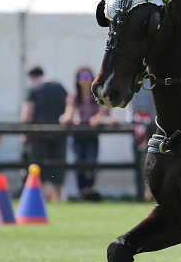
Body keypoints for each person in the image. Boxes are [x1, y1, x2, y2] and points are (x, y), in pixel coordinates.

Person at [59, 66, 115, 200]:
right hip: (78, 133)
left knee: (90, 162)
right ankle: (81, 192)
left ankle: (89, 190)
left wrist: (100, 117)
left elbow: (105, 110)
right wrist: (66, 117)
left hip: (91, 134)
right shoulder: (74, 96)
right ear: (77, 80)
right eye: (82, 77)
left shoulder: (98, 94)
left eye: (88, 77)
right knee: (79, 162)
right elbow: (68, 112)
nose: (85, 80)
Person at [20, 65, 68, 201]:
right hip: (59, 132)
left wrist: (24, 133)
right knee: (58, 164)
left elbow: (27, 113)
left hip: (39, 132)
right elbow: (69, 106)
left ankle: (46, 197)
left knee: (40, 166)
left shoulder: (33, 88)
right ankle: (58, 197)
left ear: (32, 77)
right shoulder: (59, 86)